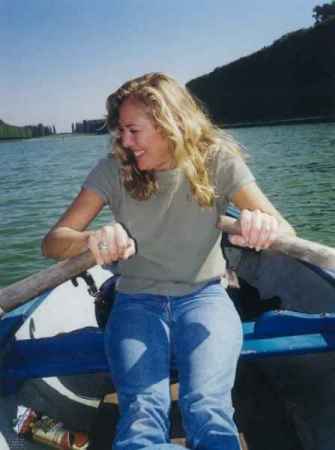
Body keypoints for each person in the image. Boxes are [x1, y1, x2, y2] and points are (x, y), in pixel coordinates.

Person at [42, 73, 295, 450]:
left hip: (205, 297)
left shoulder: (218, 162)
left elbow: (285, 234)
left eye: (133, 130)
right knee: (143, 414)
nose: (124, 142)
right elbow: (53, 243)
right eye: (120, 131)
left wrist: (261, 226)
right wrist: (91, 239)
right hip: (135, 302)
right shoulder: (112, 169)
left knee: (209, 410)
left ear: (170, 123)